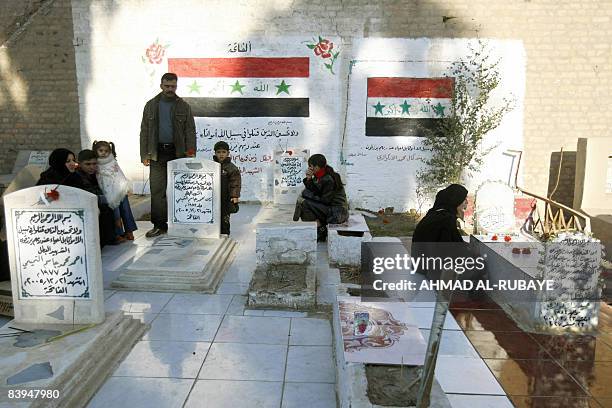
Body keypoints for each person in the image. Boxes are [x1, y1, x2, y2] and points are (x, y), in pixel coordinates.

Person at [140, 72, 197, 238]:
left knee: (180, 189)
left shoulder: (183, 106)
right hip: (157, 153)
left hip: (178, 153)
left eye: (173, 86)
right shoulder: (150, 105)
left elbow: (190, 131)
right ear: (161, 86)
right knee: (157, 191)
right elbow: (144, 131)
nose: (170, 89)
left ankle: (180, 223)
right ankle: (159, 225)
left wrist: (190, 152)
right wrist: (144, 154)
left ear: (176, 86)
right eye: (167, 86)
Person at [411, 184, 485, 292]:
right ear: (455, 201)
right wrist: (472, 252)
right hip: (431, 271)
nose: (467, 203)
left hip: (420, 265)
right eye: (464, 199)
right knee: (479, 264)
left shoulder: (435, 213)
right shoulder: (446, 219)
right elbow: (450, 250)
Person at [293, 154, 349, 242]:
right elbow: (315, 191)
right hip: (330, 210)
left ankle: (321, 229)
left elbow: (325, 200)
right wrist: (308, 179)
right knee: (304, 202)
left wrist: (307, 195)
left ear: (317, 167)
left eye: (311, 167)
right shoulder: (319, 176)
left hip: (337, 213)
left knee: (304, 203)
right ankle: (320, 228)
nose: (309, 169)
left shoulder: (329, 178)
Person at [93, 140, 138, 240]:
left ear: (110, 151)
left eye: (106, 151)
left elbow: (119, 175)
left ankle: (129, 231)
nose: (103, 153)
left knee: (126, 210)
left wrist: (124, 186)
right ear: (96, 151)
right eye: (101, 150)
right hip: (108, 192)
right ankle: (118, 233)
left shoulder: (112, 161)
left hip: (119, 189)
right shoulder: (95, 163)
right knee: (115, 212)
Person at [75, 149, 120, 247]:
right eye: (88, 164)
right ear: (79, 164)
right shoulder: (78, 176)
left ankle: (120, 233)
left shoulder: (95, 174)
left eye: (94, 164)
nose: (92, 167)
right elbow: (90, 194)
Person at [213, 141, 241, 235]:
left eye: (223, 152)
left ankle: (225, 235)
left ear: (228, 153)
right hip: (213, 198)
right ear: (215, 153)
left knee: (224, 218)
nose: (221, 155)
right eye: (219, 152)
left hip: (226, 198)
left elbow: (235, 183)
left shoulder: (231, 168)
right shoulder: (211, 166)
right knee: (214, 217)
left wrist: (235, 196)